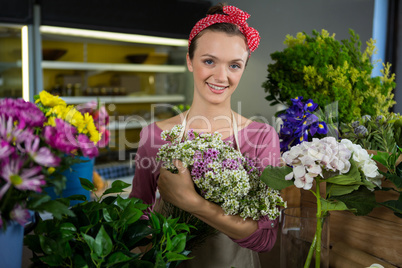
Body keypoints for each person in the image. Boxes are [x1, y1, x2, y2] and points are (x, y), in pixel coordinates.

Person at [129, 3, 281, 267]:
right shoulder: (153, 135)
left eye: (234, 65)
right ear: (190, 60)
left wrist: (191, 202)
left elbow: (265, 238)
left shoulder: (261, 138)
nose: (221, 76)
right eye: (209, 61)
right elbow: (135, 217)